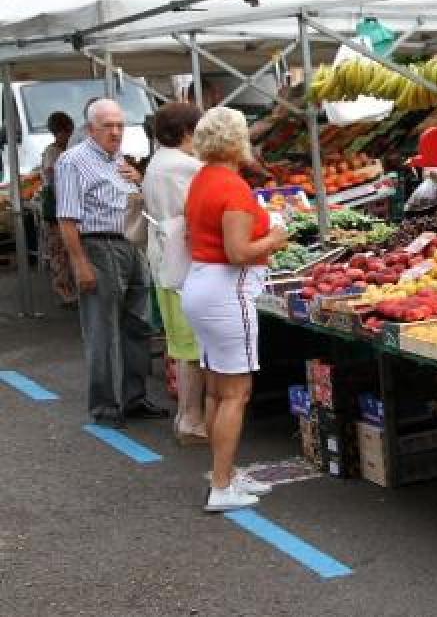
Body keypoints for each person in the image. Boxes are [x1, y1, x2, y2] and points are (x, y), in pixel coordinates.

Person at [181, 106, 287, 512]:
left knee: (216, 388)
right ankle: (222, 486)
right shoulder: (233, 188)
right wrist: (275, 239)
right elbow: (239, 251)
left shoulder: (202, 180)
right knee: (236, 393)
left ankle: (222, 471)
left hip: (201, 284)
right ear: (235, 141)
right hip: (227, 291)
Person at [56, 98, 168, 427]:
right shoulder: (72, 161)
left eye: (120, 125)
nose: (116, 131)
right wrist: (80, 263)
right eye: (108, 125)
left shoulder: (117, 157)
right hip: (99, 246)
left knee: (138, 325)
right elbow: (66, 218)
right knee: (103, 330)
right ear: (91, 129)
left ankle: (134, 398)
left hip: (131, 244)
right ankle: (105, 406)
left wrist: (137, 178)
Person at [142, 103, 206, 446]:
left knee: (180, 343)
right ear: (186, 132)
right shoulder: (186, 166)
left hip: (163, 260)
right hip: (184, 262)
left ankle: (186, 415)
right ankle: (192, 420)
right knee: (193, 346)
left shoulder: (157, 163)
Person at [41, 111, 77, 306]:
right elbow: (52, 176)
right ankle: (64, 292)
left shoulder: (66, 149)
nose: (69, 135)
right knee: (59, 251)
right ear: (58, 132)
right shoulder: (53, 152)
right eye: (67, 131)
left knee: (67, 250)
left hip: (64, 206)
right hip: (55, 208)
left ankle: (70, 290)